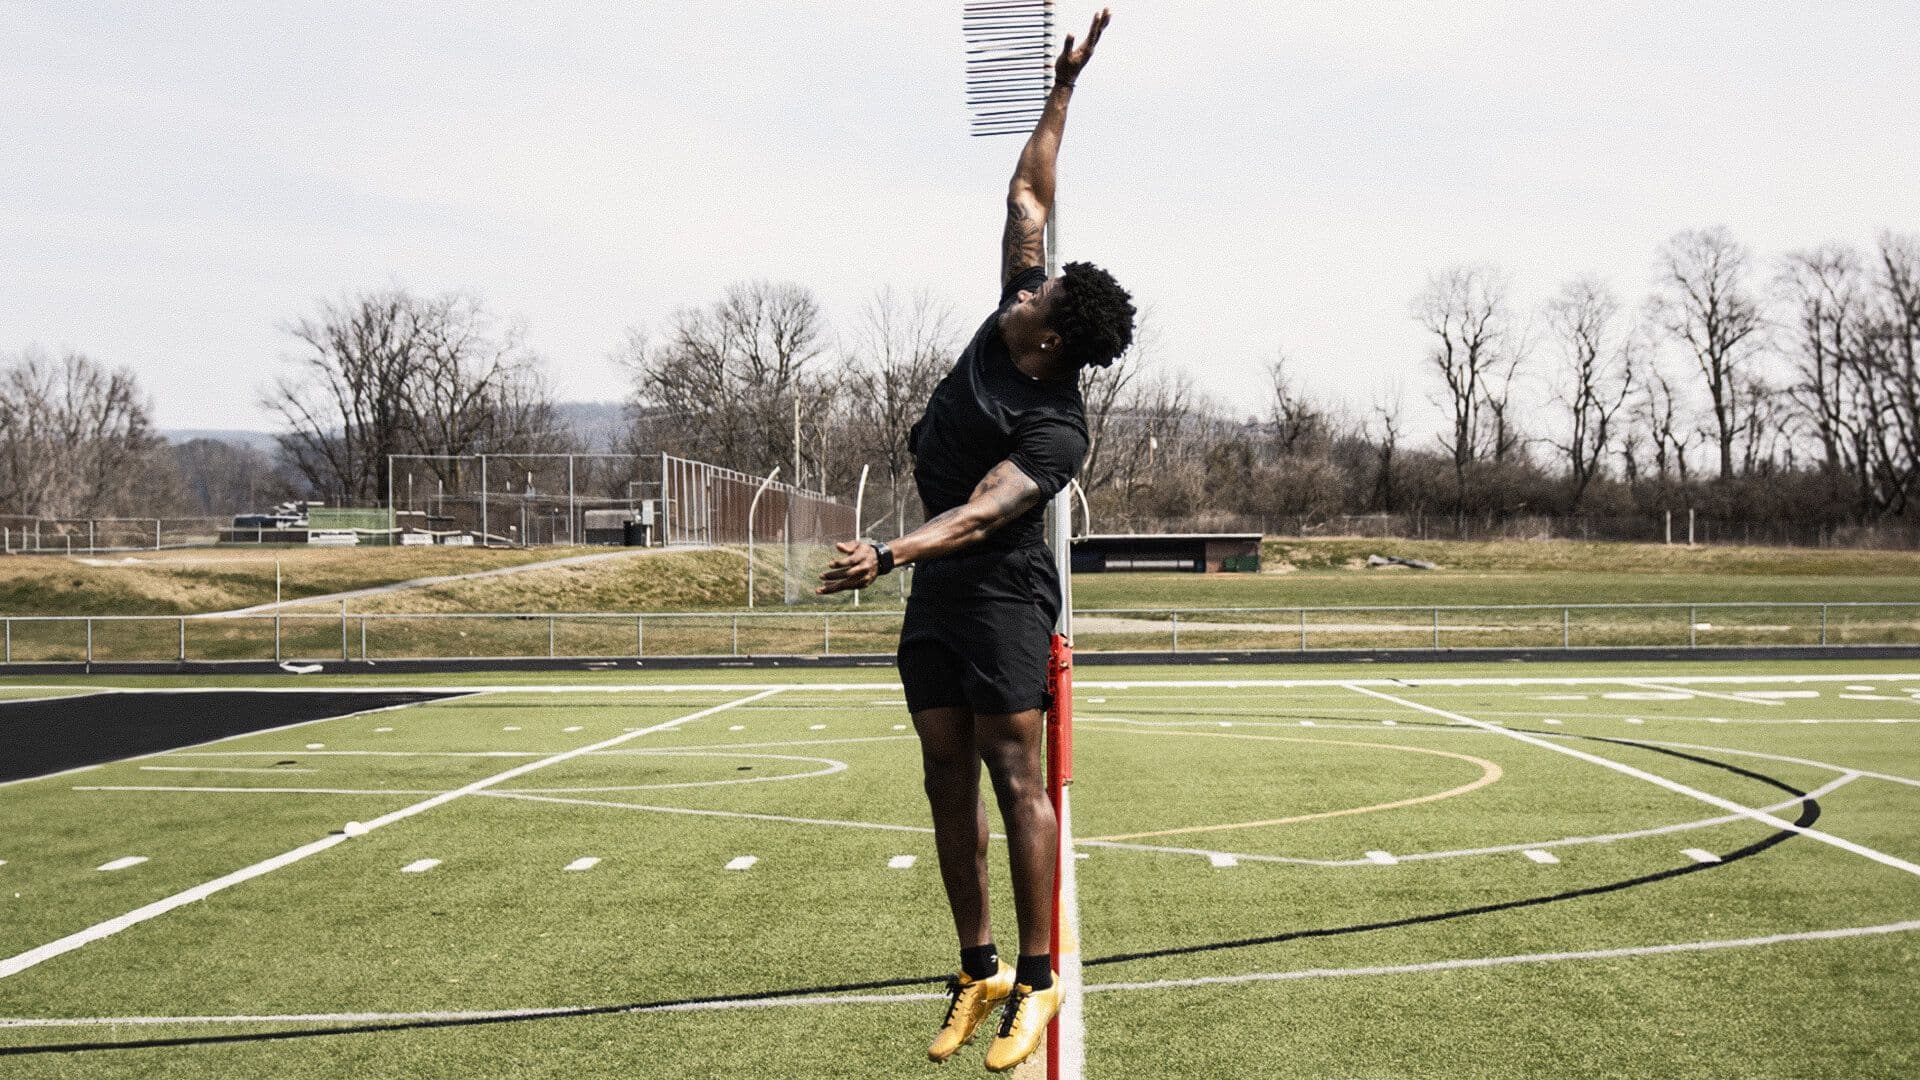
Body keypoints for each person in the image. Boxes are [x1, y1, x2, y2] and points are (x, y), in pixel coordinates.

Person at [816, 9, 1133, 1071]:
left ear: (1055, 339)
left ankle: (1038, 979)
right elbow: (1028, 196)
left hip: (1000, 593)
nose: (1031, 282)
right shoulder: (1015, 308)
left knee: (1012, 773)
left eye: (1044, 293)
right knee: (941, 772)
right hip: (937, 593)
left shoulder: (1055, 427)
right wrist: (1065, 87)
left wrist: (888, 554)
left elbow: (986, 512)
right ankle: (979, 965)